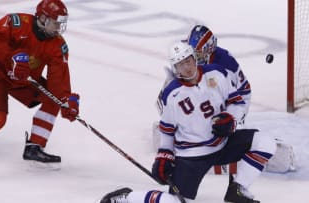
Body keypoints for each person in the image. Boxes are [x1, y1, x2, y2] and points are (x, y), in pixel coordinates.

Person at [100, 42, 276, 203]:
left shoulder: (217, 73)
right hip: (192, 156)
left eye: (188, 60)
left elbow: (236, 102)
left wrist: (231, 119)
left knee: (265, 142)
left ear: (195, 58)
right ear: (175, 68)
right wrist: (164, 156)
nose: (187, 67)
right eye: (180, 65)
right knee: (175, 202)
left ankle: (237, 190)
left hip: (222, 143)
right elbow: (167, 131)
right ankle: (126, 198)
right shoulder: (172, 94)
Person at [0, 0, 79, 178]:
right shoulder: (16, 22)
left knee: (53, 99)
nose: (59, 27)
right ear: (42, 18)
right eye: (55, 22)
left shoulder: (57, 45)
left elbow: (59, 79)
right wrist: (12, 57)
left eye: (61, 23)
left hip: (23, 80)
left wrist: (66, 100)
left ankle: (35, 147)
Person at [153, 25, 252, 175]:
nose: (195, 58)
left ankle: (225, 162)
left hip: (234, 98)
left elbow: (240, 95)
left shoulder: (224, 64)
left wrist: (232, 117)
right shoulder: (192, 53)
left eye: (198, 55)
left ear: (209, 49)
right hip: (206, 96)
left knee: (224, 128)